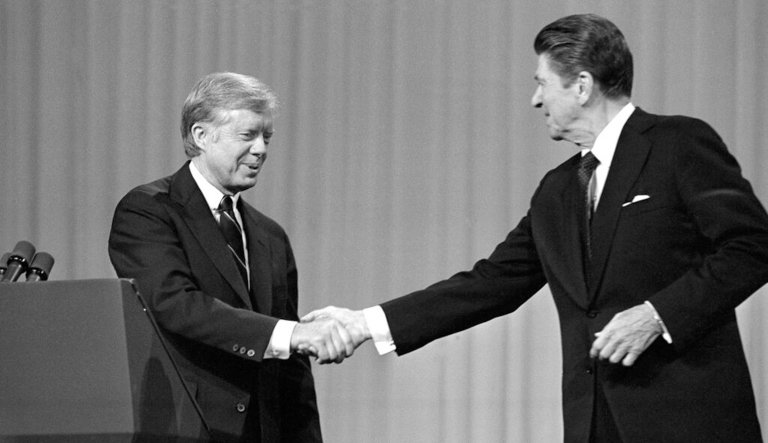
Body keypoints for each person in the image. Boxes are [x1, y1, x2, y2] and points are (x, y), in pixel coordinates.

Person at [304, 14, 768, 443]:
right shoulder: (559, 190)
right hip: (594, 424)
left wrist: (657, 315)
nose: (535, 98)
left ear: (582, 86)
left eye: (542, 83)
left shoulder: (677, 144)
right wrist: (363, 322)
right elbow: (491, 284)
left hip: (690, 422)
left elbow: (753, 245)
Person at [109, 72, 355, 442]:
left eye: (266, 137)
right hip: (186, 429)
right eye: (248, 135)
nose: (261, 149)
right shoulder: (148, 211)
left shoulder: (270, 235)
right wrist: (293, 334)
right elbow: (174, 304)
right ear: (201, 136)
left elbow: (292, 371)